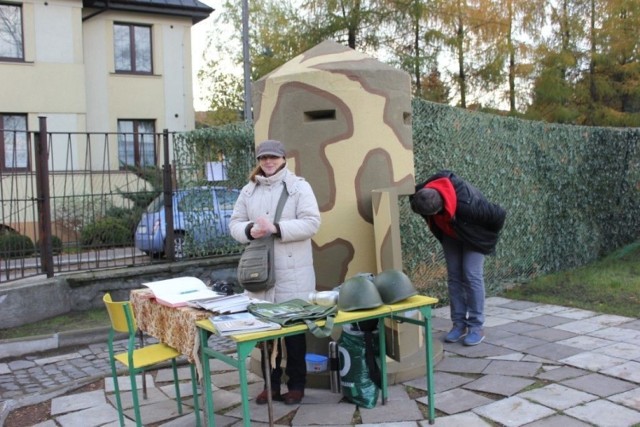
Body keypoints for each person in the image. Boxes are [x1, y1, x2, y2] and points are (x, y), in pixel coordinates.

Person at [229, 139, 321, 405]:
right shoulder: (249, 191)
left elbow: (312, 223)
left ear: (283, 158)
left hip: (293, 272)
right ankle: (271, 386)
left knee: (293, 333)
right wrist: (250, 231)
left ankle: (297, 385)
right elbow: (234, 223)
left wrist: (276, 228)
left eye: (273, 157)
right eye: (263, 158)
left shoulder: (298, 187)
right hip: (262, 273)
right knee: (265, 334)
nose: (268, 162)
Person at [410, 170, 506, 346]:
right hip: (451, 233)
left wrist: (484, 240)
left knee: (471, 274)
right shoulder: (419, 196)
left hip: (475, 236)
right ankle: (458, 325)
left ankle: (476, 327)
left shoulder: (467, 205)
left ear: (442, 206)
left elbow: (499, 215)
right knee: (454, 276)